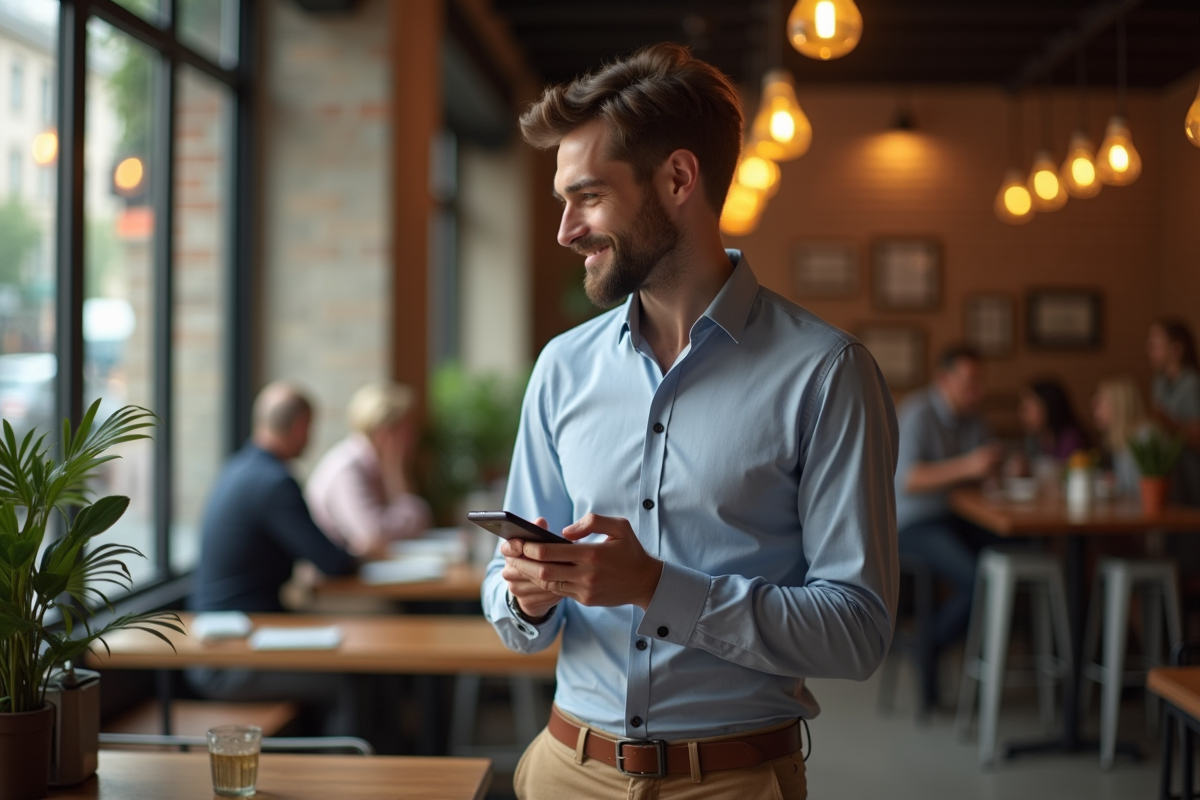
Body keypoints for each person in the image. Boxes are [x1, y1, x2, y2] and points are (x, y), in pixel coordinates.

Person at [481, 43, 897, 800]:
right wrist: (523, 594)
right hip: (563, 771)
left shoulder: (828, 374)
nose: (565, 230)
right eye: (561, 202)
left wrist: (656, 587)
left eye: (589, 197)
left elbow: (857, 630)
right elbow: (506, 585)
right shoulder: (561, 368)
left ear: (677, 179)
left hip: (733, 783)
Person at [188, 382, 360, 734]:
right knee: (352, 679)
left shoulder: (238, 469)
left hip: (222, 642)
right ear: (299, 428)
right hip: (230, 660)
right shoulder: (274, 483)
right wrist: (358, 552)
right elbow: (333, 563)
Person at [894, 345, 1003, 709]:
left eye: (980, 382)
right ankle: (928, 645)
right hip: (913, 522)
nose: (978, 390)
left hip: (956, 517)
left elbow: (976, 475)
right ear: (944, 380)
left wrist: (998, 471)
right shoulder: (917, 413)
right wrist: (970, 466)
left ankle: (928, 644)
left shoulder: (974, 419)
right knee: (978, 578)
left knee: (1012, 555)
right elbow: (908, 479)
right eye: (970, 382)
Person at [307, 381, 431, 557]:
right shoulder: (347, 468)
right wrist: (396, 472)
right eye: (407, 429)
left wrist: (394, 470)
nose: (414, 437)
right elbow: (373, 536)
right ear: (385, 434)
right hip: (335, 582)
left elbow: (419, 526)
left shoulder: (376, 465)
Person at [1147, 319, 1200, 507]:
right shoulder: (1159, 382)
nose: (1150, 352)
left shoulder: (1192, 383)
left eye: (1156, 346)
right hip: (1169, 477)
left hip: (1192, 477)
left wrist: (1168, 422)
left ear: (1176, 349)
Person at [1092, 376, 1155, 499]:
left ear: (1119, 404)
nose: (1093, 405)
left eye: (1100, 400)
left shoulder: (1146, 437)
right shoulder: (1121, 439)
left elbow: (1144, 494)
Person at [1018, 379, 1089, 462]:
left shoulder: (1071, 440)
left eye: (1028, 410)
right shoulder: (1035, 440)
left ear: (1048, 407)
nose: (1022, 416)